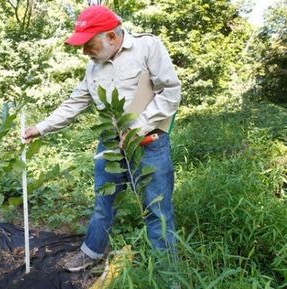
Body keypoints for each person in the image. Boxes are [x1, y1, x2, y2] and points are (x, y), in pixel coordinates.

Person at [24, 5, 181, 272]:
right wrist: (39, 128)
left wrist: (138, 127)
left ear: (111, 36)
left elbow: (170, 92)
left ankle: (168, 273)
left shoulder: (147, 47)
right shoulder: (93, 69)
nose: (84, 51)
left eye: (89, 44)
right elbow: (73, 104)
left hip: (149, 144)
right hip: (110, 145)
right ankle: (92, 252)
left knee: (157, 210)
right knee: (103, 203)